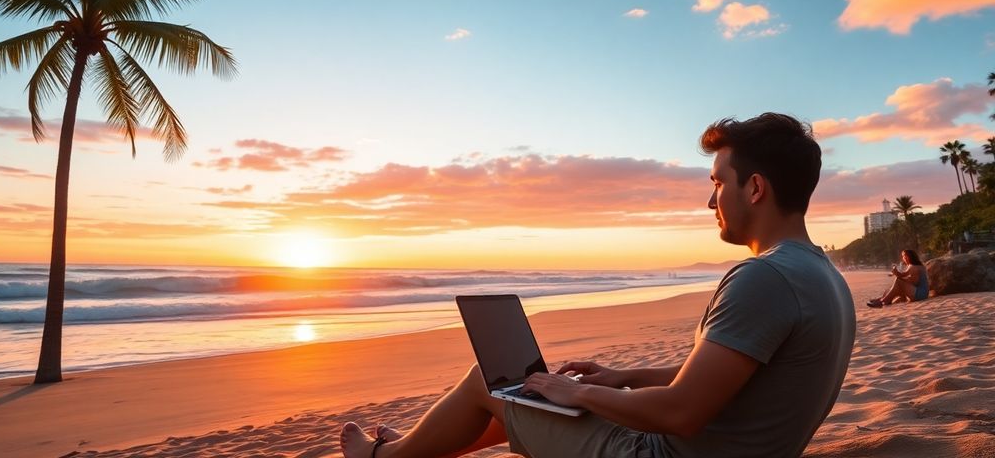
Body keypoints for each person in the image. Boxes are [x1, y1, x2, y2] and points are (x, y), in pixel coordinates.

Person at [339, 113, 856, 458]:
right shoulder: (819, 274)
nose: (710, 201)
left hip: (658, 453)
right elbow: (738, 373)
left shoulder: (762, 277)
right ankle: (421, 446)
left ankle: (386, 457)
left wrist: (579, 390)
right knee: (529, 393)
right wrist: (621, 377)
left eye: (718, 182)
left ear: (756, 188)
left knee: (488, 381)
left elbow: (681, 412)